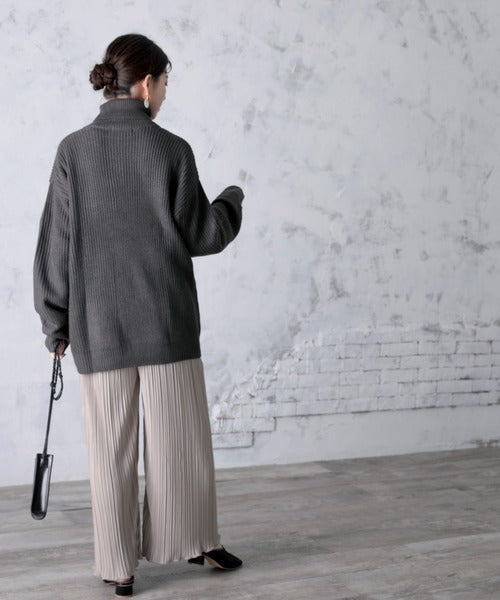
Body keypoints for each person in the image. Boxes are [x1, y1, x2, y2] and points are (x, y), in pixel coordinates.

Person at [33, 33, 244, 598]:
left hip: (98, 328)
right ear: (147, 83)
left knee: (110, 452)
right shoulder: (171, 149)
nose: (166, 93)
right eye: (166, 82)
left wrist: (56, 324)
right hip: (167, 326)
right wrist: (232, 200)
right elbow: (204, 234)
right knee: (181, 446)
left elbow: (55, 245)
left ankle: (119, 566)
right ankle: (193, 539)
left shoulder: (72, 150)